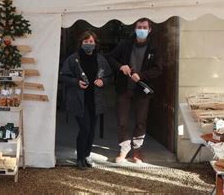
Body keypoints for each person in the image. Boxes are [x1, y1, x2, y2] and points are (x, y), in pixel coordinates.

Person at [108, 18, 163, 163]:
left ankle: (137, 150)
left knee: (141, 122)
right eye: (139, 27)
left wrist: (142, 75)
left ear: (150, 30)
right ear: (135, 28)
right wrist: (121, 66)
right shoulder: (125, 44)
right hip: (124, 88)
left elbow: (158, 69)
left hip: (142, 90)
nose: (142, 30)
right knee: (122, 121)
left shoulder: (154, 48)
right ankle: (124, 149)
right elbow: (110, 58)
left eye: (145, 27)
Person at [59, 31, 112, 170]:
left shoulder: (101, 59)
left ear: (95, 44)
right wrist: (76, 82)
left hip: (95, 100)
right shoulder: (73, 59)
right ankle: (79, 158)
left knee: (91, 130)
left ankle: (87, 156)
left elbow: (110, 77)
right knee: (85, 128)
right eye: (86, 42)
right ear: (81, 43)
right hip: (79, 100)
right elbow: (63, 76)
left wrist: (103, 81)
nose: (89, 44)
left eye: (91, 42)